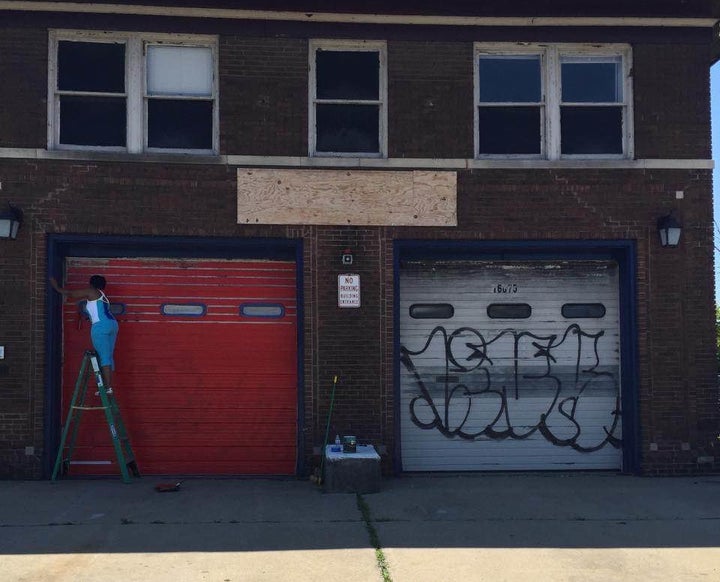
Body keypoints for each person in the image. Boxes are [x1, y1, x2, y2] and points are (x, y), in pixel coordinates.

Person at [50, 274, 119, 394]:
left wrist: (56, 288)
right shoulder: (102, 296)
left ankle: (107, 388)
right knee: (108, 355)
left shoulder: (91, 291)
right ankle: (108, 387)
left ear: (92, 284)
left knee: (103, 356)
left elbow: (72, 294)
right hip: (112, 325)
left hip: (100, 326)